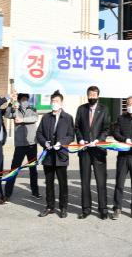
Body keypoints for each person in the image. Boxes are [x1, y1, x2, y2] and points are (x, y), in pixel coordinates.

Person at [36, 90, 75, 219]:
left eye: (56, 101)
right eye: (52, 101)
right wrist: (44, 143)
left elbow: (71, 135)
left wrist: (61, 143)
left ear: (61, 103)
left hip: (61, 155)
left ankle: (63, 207)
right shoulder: (46, 117)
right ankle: (50, 206)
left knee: (63, 183)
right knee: (49, 183)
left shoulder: (68, 118)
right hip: (48, 156)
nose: (54, 103)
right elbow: (39, 133)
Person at [75, 85, 110, 220]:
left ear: (98, 96)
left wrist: (98, 140)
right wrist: (80, 139)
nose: (92, 97)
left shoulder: (104, 109)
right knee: (85, 181)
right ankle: (86, 209)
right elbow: (77, 127)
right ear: (87, 95)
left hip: (98, 150)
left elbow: (107, 128)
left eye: (94, 95)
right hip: (84, 150)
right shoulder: (81, 109)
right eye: (90, 95)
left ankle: (103, 209)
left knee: (101, 182)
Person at [4, 93, 40, 201]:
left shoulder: (32, 109)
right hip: (20, 144)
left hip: (31, 144)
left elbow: (35, 118)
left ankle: (35, 192)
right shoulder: (15, 109)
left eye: (26, 99)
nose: (25, 101)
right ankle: (7, 194)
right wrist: (11, 104)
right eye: (23, 99)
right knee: (14, 169)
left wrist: (22, 120)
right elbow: (7, 115)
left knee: (33, 169)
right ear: (19, 101)